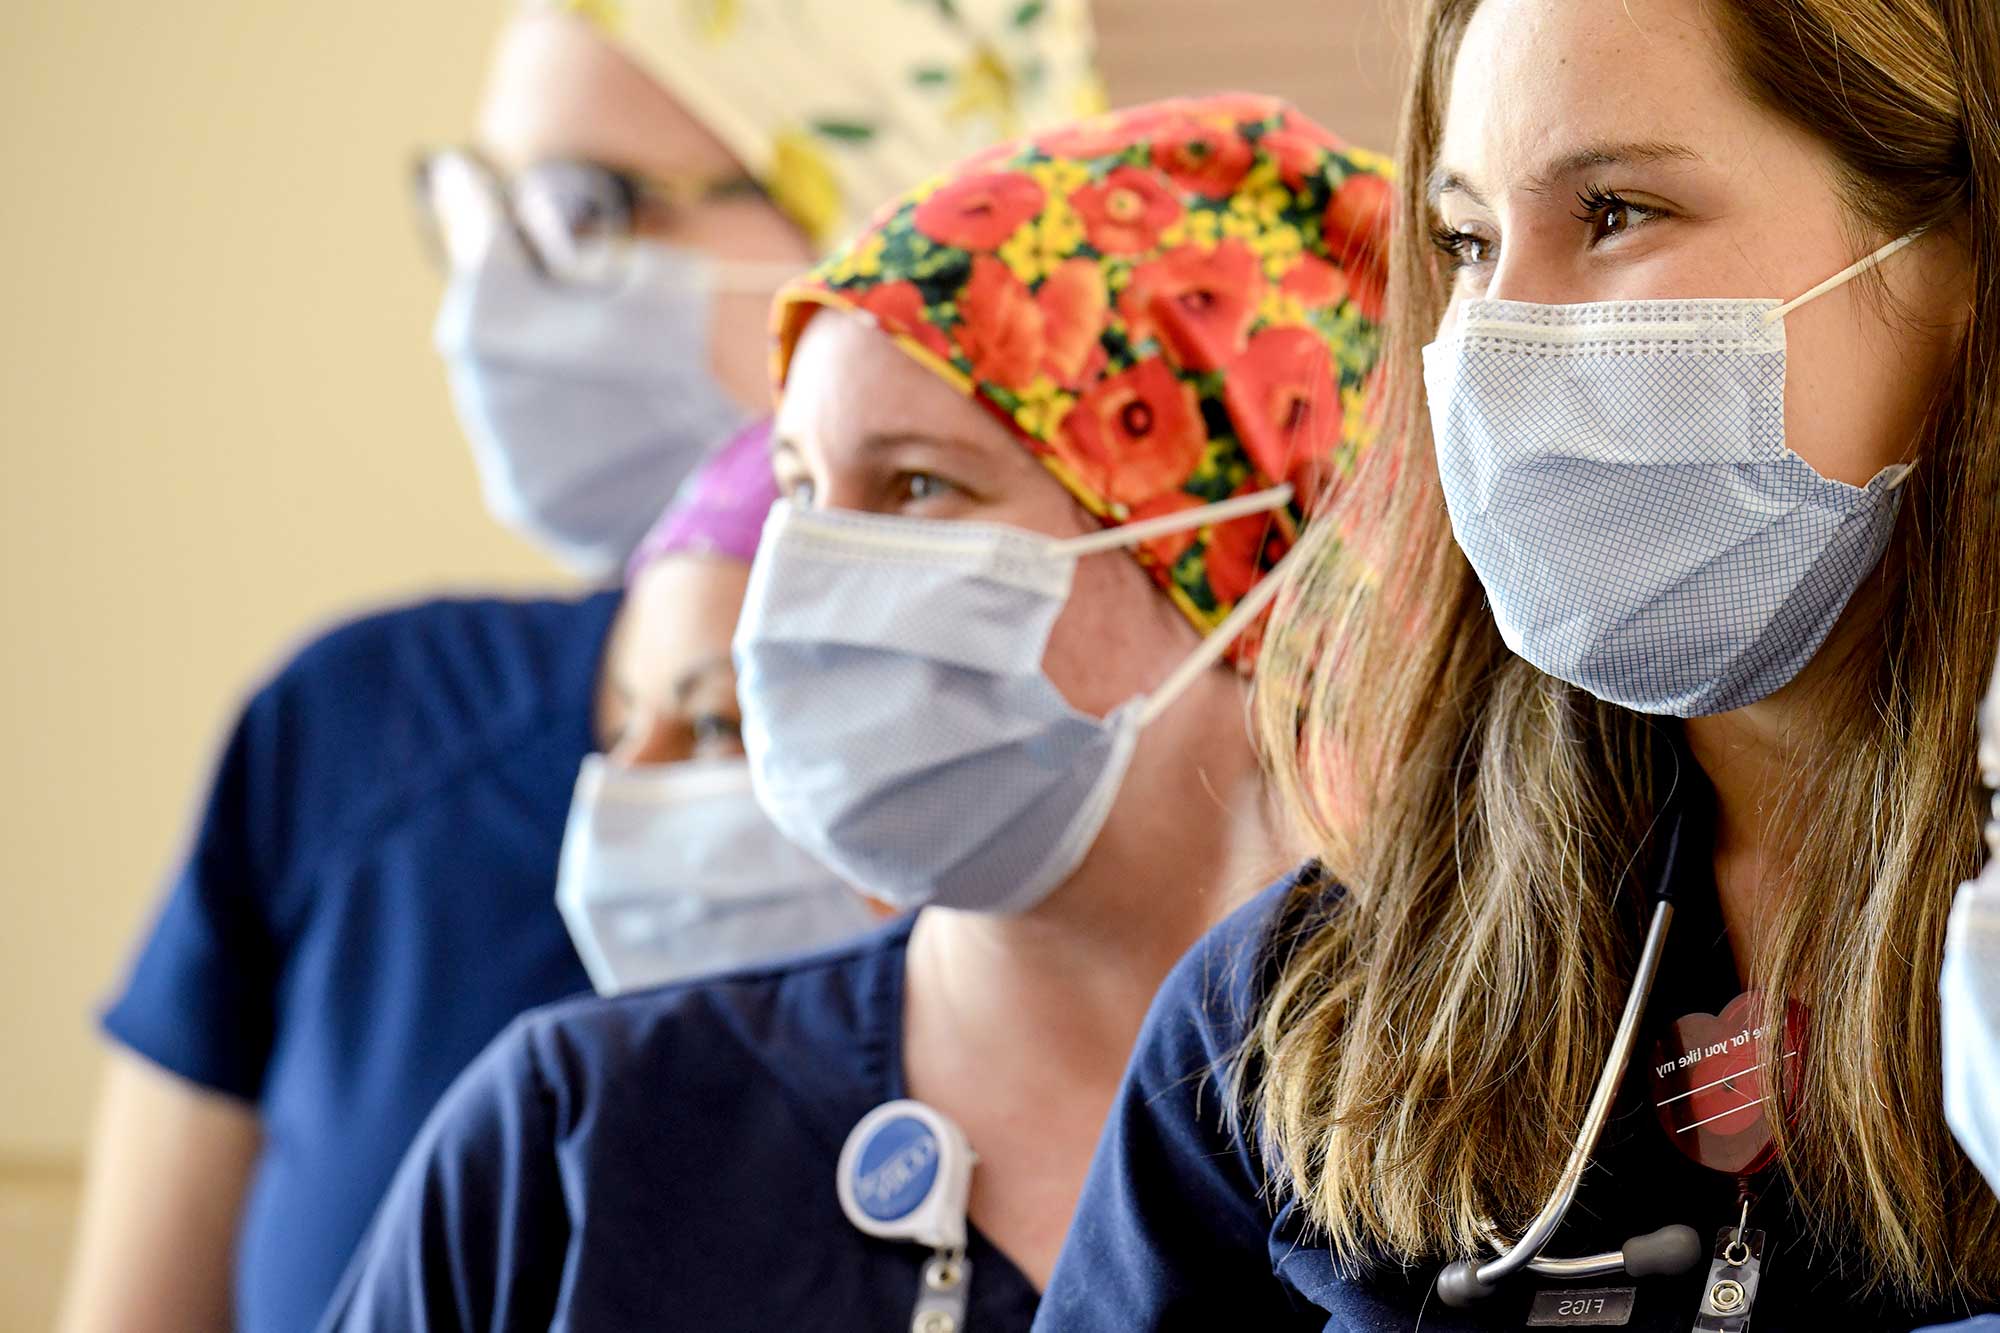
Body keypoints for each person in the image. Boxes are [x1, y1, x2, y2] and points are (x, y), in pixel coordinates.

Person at [58, 7, 1098, 1332]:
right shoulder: (360, 732)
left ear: (896, 221)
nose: (499, 284)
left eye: (587, 206)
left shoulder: (1059, 807)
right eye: (482, 204)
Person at [318, 94, 1393, 1331]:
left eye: (918, 486)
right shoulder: (574, 1146)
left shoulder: (1487, 1161)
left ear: (1261, 573)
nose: (807, 572)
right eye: (798, 489)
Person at [1035, 1, 2000, 1330]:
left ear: (1957, 253)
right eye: (1467, 240)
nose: (1496, 337)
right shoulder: (1299, 1020)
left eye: (1614, 212)